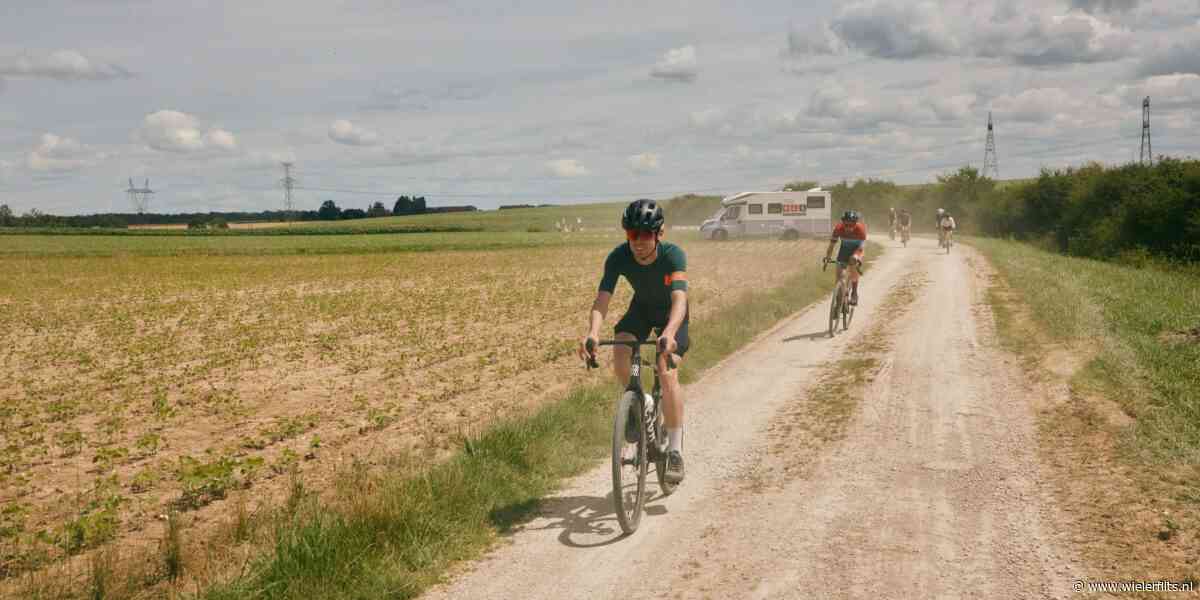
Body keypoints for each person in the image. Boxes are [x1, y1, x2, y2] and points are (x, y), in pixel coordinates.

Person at [578, 199, 689, 484]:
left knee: (666, 371)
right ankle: (643, 401)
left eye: (645, 235)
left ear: (659, 234)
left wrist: (670, 333)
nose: (638, 242)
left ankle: (675, 451)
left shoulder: (674, 255)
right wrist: (592, 332)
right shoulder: (618, 257)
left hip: (672, 316)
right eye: (631, 234)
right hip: (641, 310)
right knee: (621, 352)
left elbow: (679, 298)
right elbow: (603, 299)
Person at [824, 210, 867, 305]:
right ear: (843, 223)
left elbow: (861, 247)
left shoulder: (860, 229)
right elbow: (831, 245)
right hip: (845, 249)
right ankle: (840, 296)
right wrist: (828, 257)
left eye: (851, 225)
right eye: (846, 225)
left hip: (857, 249)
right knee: (839, 275)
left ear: (855, 223)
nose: (848, 227)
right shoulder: (838, 228)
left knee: (853, 265)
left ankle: (854, 293)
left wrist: (856, 257)